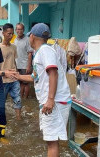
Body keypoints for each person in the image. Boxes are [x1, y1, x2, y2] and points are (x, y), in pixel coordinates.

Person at [15, 23, 71, 157]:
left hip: (55, 102)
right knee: (51, 141)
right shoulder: (41, 52)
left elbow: (53, 73)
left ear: (32, 37)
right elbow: (35, 77)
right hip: (54, 101)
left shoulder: (45, 51)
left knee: (52, 142)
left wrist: (50, 99)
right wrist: (17, 76)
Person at [0, 23, 22, 120]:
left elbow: (14, 61)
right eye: (8, 33)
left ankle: (18, 117)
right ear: (3, 33)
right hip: (3, 79)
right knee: (1, 101)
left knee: (18, 99)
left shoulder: (14, 47)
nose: (10, 36)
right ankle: (2, 118)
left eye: (12, 34)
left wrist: (17, 73)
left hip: (14, 78)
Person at [14, 23, 33, 99]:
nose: (19, 31)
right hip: (17, 65)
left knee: (26, 84)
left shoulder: (27, 39)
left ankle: (26, 98)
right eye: (18, 29)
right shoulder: (15, 40)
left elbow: (30, 53)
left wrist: (28, 66)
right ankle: (22, 98)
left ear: (23, 30)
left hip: (25, 65)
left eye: (21, 29)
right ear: (16, 30)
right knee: (20, 83)